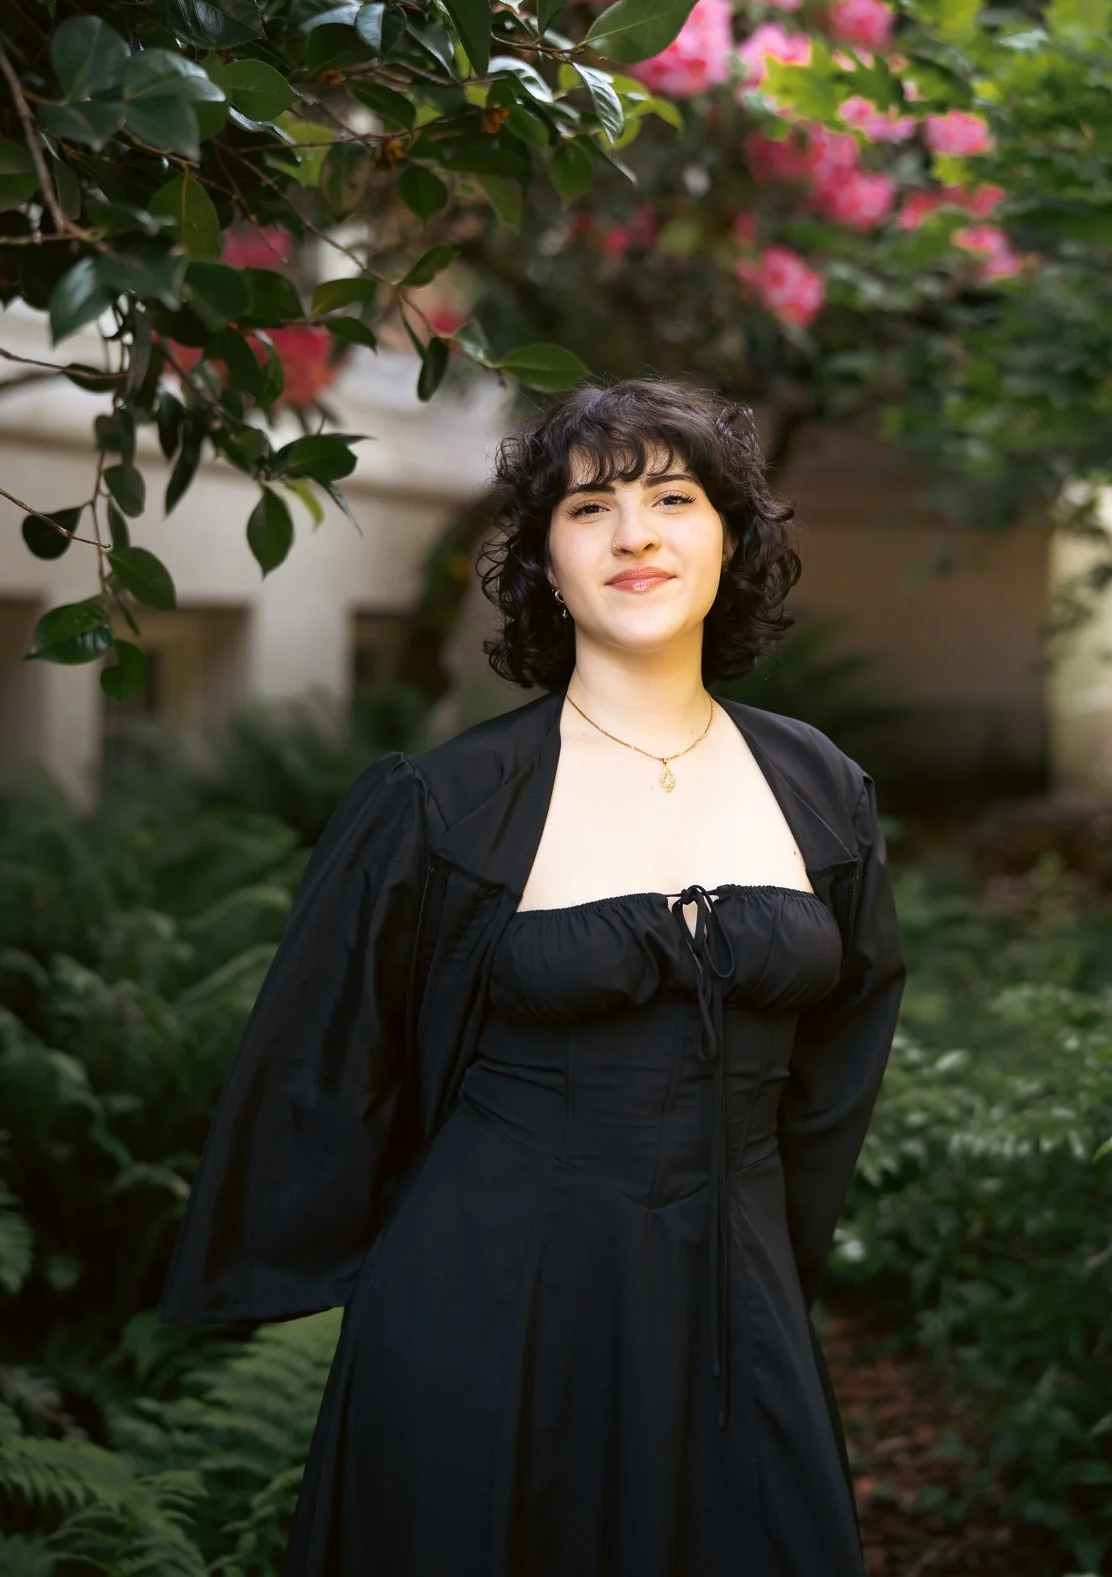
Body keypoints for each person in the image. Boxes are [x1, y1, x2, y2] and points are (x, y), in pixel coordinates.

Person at [158, 377, 906, 1577]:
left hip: (735, 1306)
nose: (636, 535)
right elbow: (332, 1063)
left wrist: (768, 1262)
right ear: (543, 563)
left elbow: (837, 1076)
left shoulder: (824, 790)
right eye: (589, 506)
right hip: (487, 1308)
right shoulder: (442, 805)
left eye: (674, 497)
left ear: (734, 539)